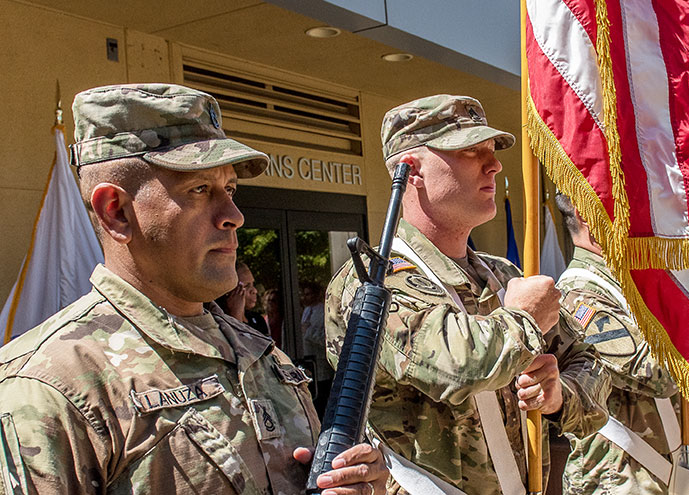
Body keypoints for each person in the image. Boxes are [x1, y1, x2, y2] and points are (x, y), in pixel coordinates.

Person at [0, 84, 387, 494]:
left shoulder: (260, 353)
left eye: (231, 189)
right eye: (200, 189)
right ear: (115, 211)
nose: (234, 216)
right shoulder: (51, 386)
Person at [324, 94, 611, 494]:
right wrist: (525, 320)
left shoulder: (502, 275)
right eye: (471, 151)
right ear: (412, 171)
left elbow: (590, 361)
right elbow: (455, 367)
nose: (493, 164)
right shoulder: (373, 281)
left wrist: (559, 394)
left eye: (491, 151)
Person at [555, 193, 686, 494]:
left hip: (660, 471)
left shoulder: (627, 285)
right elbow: (657, 374)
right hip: (616, 477)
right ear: (586, 214)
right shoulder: (579, 295)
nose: (638, 211)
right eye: (625, 203)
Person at [300, 281, 333, 417]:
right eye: (304, 295)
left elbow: (326, 338)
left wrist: (309, 331)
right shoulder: (306, 310)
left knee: (321, 400)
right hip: (308, 364)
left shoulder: (322, 310)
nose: (305, 298)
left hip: (321, 365)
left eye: (308, 294)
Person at [217, 262, 269, 336]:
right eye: (246, 286)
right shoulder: (219, 321)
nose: (254, 290)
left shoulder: (258, 320)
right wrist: (236, 314)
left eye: (253, 284)